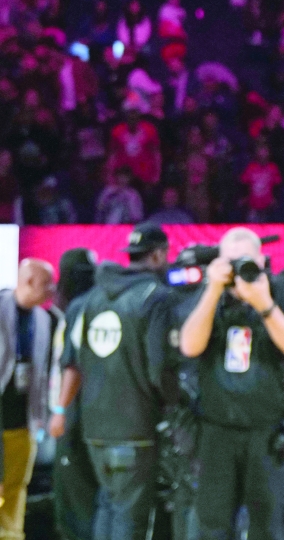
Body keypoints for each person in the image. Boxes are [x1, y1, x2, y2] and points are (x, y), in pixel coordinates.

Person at [50, 224, 172, 540]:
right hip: (137, 428)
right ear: (158, 254)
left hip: (94, 430)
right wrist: (174, 406)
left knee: (106, 505)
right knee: (130, 519)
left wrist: (60, 411)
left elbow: (71, 364)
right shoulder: (154, 297)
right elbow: (158, 369)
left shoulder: (87, 301)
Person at [179, 227, 284, 540]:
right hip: (216, 432)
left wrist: (263, 304)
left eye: (246, 261)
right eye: (231, 262)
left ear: (262, 259)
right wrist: (212, 290)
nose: (239, 270)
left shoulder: (280, 291)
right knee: (212, 527)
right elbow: (189, 346)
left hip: (267, 432)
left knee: (267, 528)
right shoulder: (211, 297)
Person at [0, 259, 54, 540]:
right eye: (48, 283)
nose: (53, 290)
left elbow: (43, 373)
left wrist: (43, 415)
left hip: (24, 418)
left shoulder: (45, 319)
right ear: (29, 281)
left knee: (18, 483)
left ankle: (11, 533)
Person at [50, 248, 100, 540]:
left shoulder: (79, 308)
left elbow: (73, 367)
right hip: (90, 412)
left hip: (73, 413)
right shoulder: (89, 305)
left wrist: (59, 411)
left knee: (75, 504)